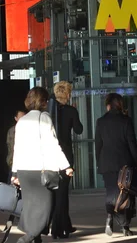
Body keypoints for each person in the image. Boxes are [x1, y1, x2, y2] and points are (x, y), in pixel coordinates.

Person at [11, 87, 73, 243]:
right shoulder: (43, 118)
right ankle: (26, 239)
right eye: (45, 100)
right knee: (46, 209)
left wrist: (14, 173)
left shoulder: (22, 121)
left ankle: (35, 239)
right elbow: (52, 144)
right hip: (40, 171)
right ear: (43, 102)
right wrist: (66, 166)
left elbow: (17, 148)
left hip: (24, 172)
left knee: (31, 207)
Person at [95, 93, 137, 237]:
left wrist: (99, 162)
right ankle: (125, 226)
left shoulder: (100, 121)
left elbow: (98, 145)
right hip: (124, 164)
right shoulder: (126, 121)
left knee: (111, 192)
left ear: (108, 105)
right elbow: (132, 144)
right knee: (125, 193)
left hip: (106, 163)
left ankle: (109, 217)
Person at [51, 81, 83, 239]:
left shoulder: (49, 110)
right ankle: (60, 228)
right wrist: (75, 114)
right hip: (66, 155)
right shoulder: (71, 110)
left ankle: (63, 225)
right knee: (63, 192)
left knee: (55, 192)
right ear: (68, 94)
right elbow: (79, 130)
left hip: (50, 155)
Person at [6, 110, 27, 182]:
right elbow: (11, 147)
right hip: (14, 162)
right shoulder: (12, 131)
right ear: (16, 118)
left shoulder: (28, 129)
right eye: (20, 117)